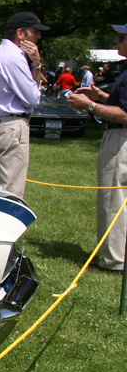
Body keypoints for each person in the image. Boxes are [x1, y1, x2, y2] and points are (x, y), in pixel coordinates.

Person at [67, 23, 127, 272]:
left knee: (113, 197)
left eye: (122, 37)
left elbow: (124, 114)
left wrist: (89, 106)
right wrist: (100, 96)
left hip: (120, 140)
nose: (116, 41)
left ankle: (113, 260)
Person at [0, 12, 48, 198]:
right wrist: (37, 63)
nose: (39, 37)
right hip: (11, 126)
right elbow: (33, 98)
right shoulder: (13, 58)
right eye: (35, 32)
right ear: (21, 33)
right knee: (10, 190)